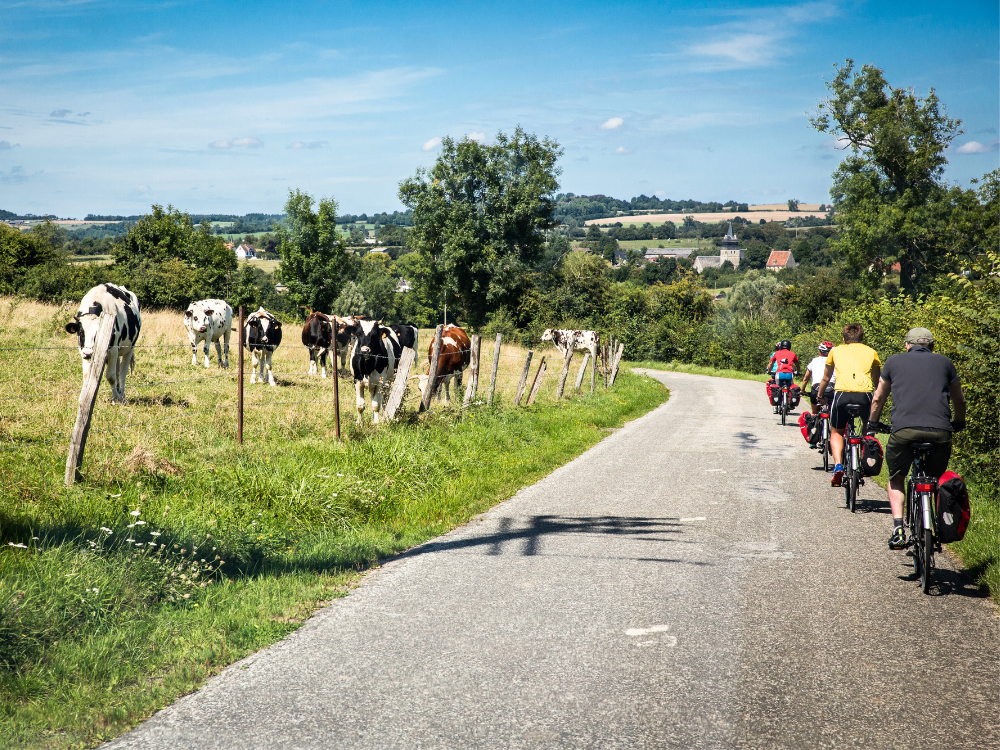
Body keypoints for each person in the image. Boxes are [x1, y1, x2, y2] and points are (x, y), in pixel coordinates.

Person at [866, 327, 966, 549]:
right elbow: (960, 400)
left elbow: (878, 398)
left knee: (897, 477)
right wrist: (959, 422)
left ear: (907, 345)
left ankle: (898, 528)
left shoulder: (893, 362)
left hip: (903, 431)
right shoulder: (946, 363)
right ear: (931, 346)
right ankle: (935, 523)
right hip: (940, 432)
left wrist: (872, 423)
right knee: (935, 478)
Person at [816, 324, 881, 487]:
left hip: (842, 395)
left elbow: (825, 378)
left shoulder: (835, 351)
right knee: (868, 424)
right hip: (865, 394)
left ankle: (838, 464)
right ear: (862, 338)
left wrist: (820, 395)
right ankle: (864, 456)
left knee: (837, 431)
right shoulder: (871, 352)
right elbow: (877, 380)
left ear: (844, 339)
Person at [803, 341, 835, 414]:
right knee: (832, 414)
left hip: (816, 388)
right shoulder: (835, 361)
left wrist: (803, 390)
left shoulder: (814, 360)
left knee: (814, 413)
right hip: (832, 388)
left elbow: (805, 379)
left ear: (820, 351)